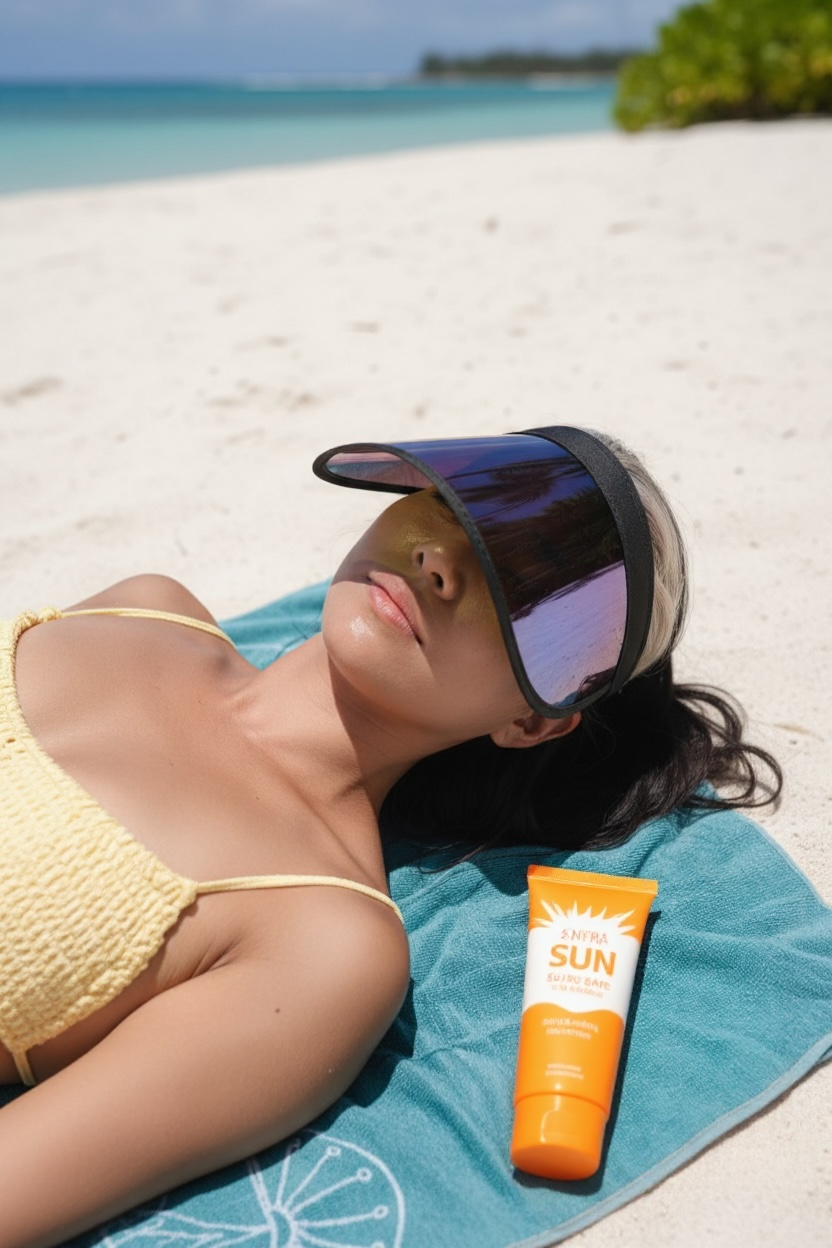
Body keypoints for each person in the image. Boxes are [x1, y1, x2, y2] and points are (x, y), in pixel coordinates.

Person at [0, 427, 779, 1248]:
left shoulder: (324, 945)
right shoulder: (150, 605)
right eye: (448, 503)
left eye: (524, 589)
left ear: (532, 722)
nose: (440, 561)